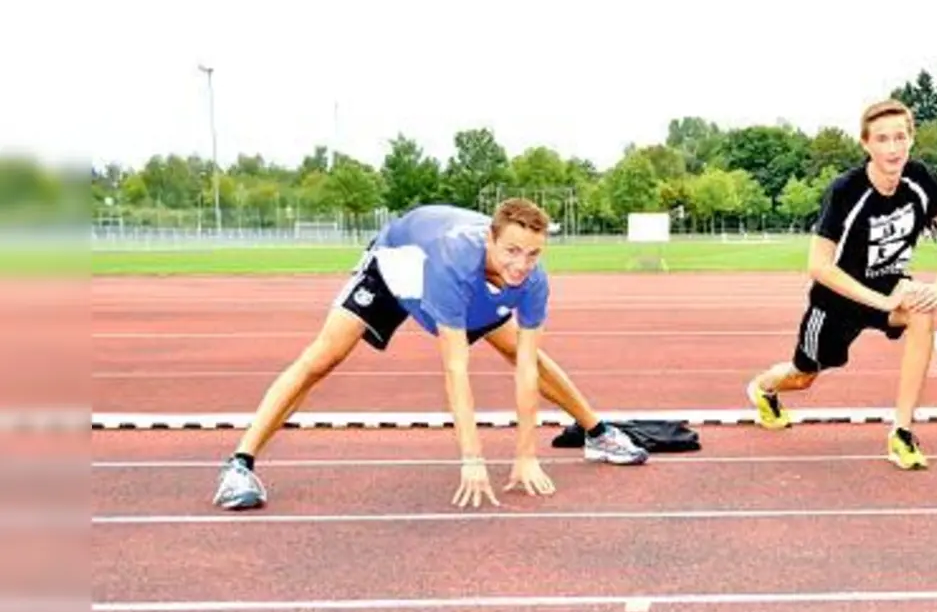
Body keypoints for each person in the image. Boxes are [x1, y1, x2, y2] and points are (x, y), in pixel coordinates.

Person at [211, 198, 648, 511]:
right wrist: (473, 459)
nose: (522, 263)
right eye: (512, 251)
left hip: (467, 284)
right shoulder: (454, 263)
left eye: (533, 254)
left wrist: (525, 454)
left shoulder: (530, 279)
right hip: (397, 269)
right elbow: (456, 370)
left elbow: (528, 370)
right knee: (322, 359)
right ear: (490, 240)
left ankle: (597, 432)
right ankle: (239, 465)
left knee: (525, 355)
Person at [745, 98, 937, 470]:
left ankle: (901, 431)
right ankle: (764, 389)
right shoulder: (846, 190)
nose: (893, 147)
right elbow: (818, 266)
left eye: (901, 137)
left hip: (892, 289)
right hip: (837, 299)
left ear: (912, 139)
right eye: (882, 139)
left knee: (923, 312)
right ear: (866, 144)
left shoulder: (920, 179)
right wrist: (879, 303)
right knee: (803, 377)